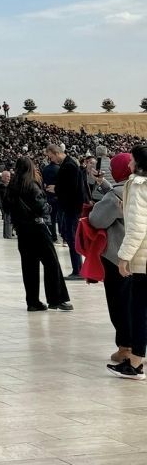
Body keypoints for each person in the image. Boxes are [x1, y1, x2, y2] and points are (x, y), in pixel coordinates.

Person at [4, 157, 72, 311]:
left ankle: (33, 301)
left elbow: (7, 207)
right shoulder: (32, 185)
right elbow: (41, 207)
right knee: (51, 263)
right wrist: (47, 207)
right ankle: (56, 298)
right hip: (37, 228)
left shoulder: (12, 187)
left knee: (29, 267)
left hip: (22, 230)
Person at [90, 153, 134, 374]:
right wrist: (104, 184)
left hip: (118, 258)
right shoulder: (138, 189)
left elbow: (96, 219)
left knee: (120, 302)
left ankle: (125, 347)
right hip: (140, 256)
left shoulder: (117, 194)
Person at [114, 145, 147, 380]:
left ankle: (135, 363)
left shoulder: (137, 186)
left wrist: (124, 256)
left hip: (143, 259)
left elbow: (137, 226)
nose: (128, 164)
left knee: (139, 309)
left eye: (132, 159)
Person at [47, 143, 88, 279]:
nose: (51, 160)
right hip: (70, 207)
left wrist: (56, 189)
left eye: (51, 156)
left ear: (56, 153)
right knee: (69, 236)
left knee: (72, 237)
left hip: (71, 208)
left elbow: (72, 188)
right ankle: (77, 269)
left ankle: (78, 270)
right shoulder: (68, 164)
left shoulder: (69, 165)